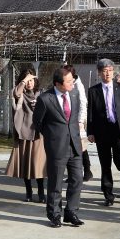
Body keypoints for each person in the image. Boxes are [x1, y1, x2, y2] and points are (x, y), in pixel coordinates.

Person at [32, 66, 84, 228]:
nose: (72, 83)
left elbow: (74, 118)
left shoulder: (74, 94)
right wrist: (52, 136)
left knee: (77, 179)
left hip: (74, 144)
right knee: (56, 183)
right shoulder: (45, 99)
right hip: (56, 146)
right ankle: (54, 214)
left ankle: (71, 212)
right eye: (69, 81)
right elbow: (37, 123)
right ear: (58, 84)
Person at [86, 59, 120, 207]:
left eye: (110, 70)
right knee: (105, 164)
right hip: (102, 132)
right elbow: (91, 113)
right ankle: (108, 194)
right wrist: (91, 132)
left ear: (113, 71)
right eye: (104, 70)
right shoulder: (93, 91)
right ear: (99, 73)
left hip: (119, 130)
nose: (107, 73)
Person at [5, 68, 46, 203]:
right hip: (23, 132)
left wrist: (39, 106)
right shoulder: (19, 93)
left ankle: (41, 192)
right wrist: (23, 81)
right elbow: (16, 93)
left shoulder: (41, 94)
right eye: (27, 81)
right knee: (25, 164)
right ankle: (28, 192)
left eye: (31, 80)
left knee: (38, 164)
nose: (29, 83)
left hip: (38, 133)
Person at [65, 64, 92, 182]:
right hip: (66, 120)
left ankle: (87, 170)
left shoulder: (77, 84)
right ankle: (73, 173)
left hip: (77, 120)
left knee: (81, 147)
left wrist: (81, 121)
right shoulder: (63, 83)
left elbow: (83, 102)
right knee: (68, 147)